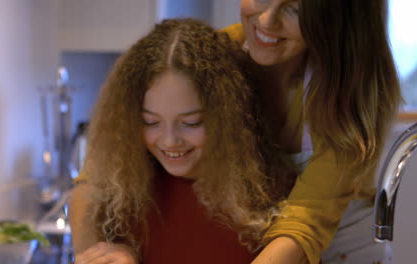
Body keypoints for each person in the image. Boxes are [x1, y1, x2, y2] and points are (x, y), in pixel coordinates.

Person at [69, 18, 294, 264]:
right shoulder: (125, 189)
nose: (169, 141)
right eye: (150, 122)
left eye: (191, 122)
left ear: (228, 118)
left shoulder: (274, 198)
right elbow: (84, 196)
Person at [222, 0, 402, 264]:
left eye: (296, 10)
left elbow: (305, 219)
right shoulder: (214, 56)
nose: (266, 21)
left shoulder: (348, 87)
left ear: (336, 22)